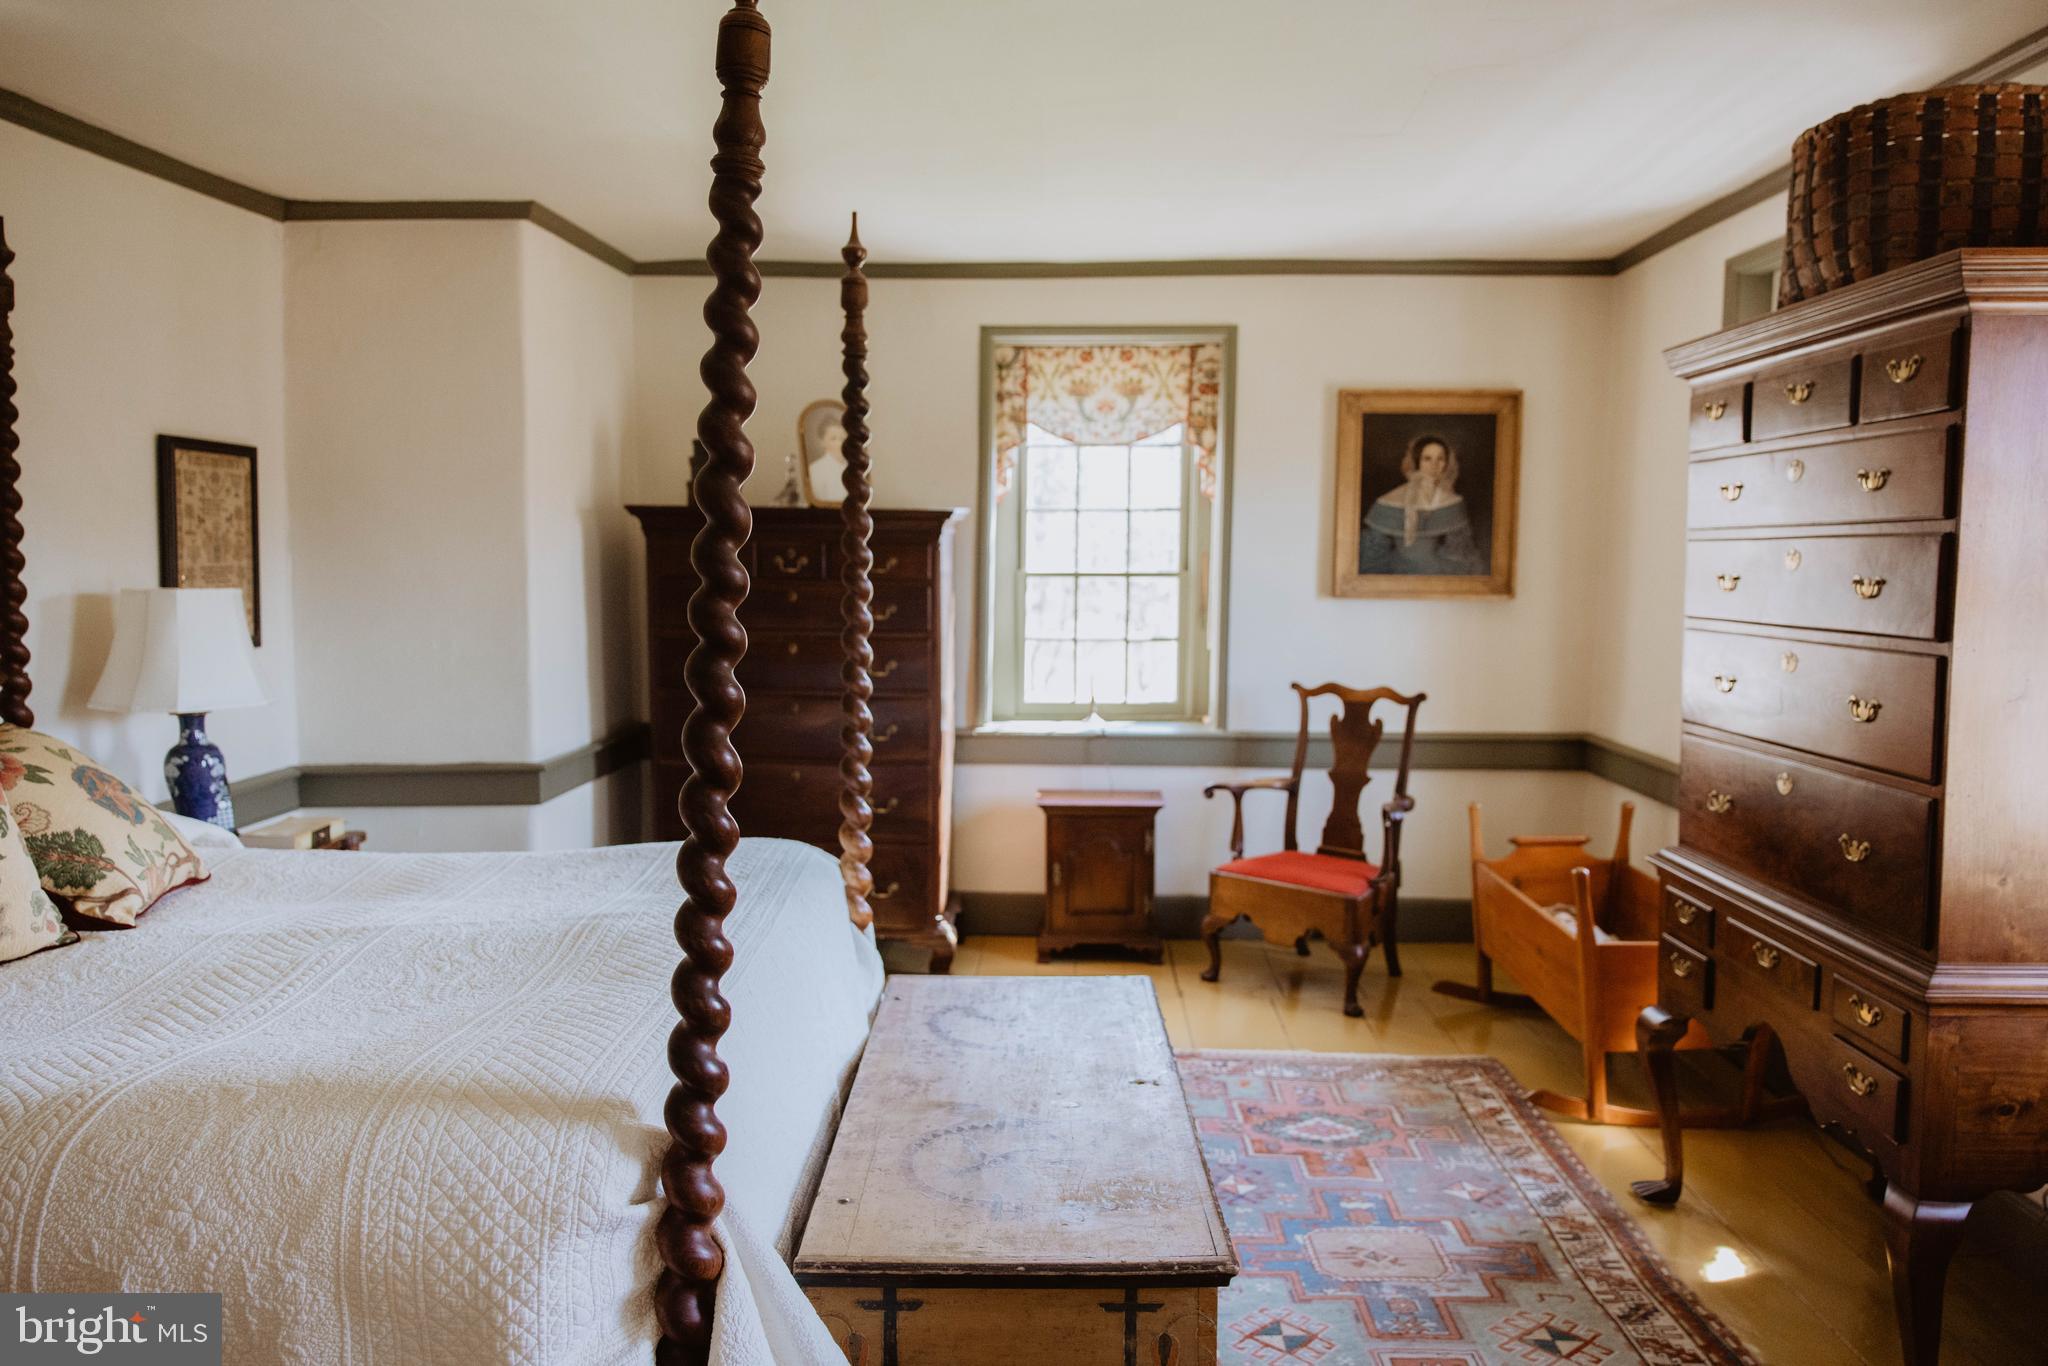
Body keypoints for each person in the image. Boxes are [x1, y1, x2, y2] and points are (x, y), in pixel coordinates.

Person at [1359, 433, 1483, 574]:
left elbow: (1459, 550)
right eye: (1427, 459)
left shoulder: (1452, 501)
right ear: (1417, 461)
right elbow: (1374, 550)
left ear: (1447, 463)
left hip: (1436, 571)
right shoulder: (1389, 500)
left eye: (1440, 459)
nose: (1434, 465)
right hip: (1395, 571)